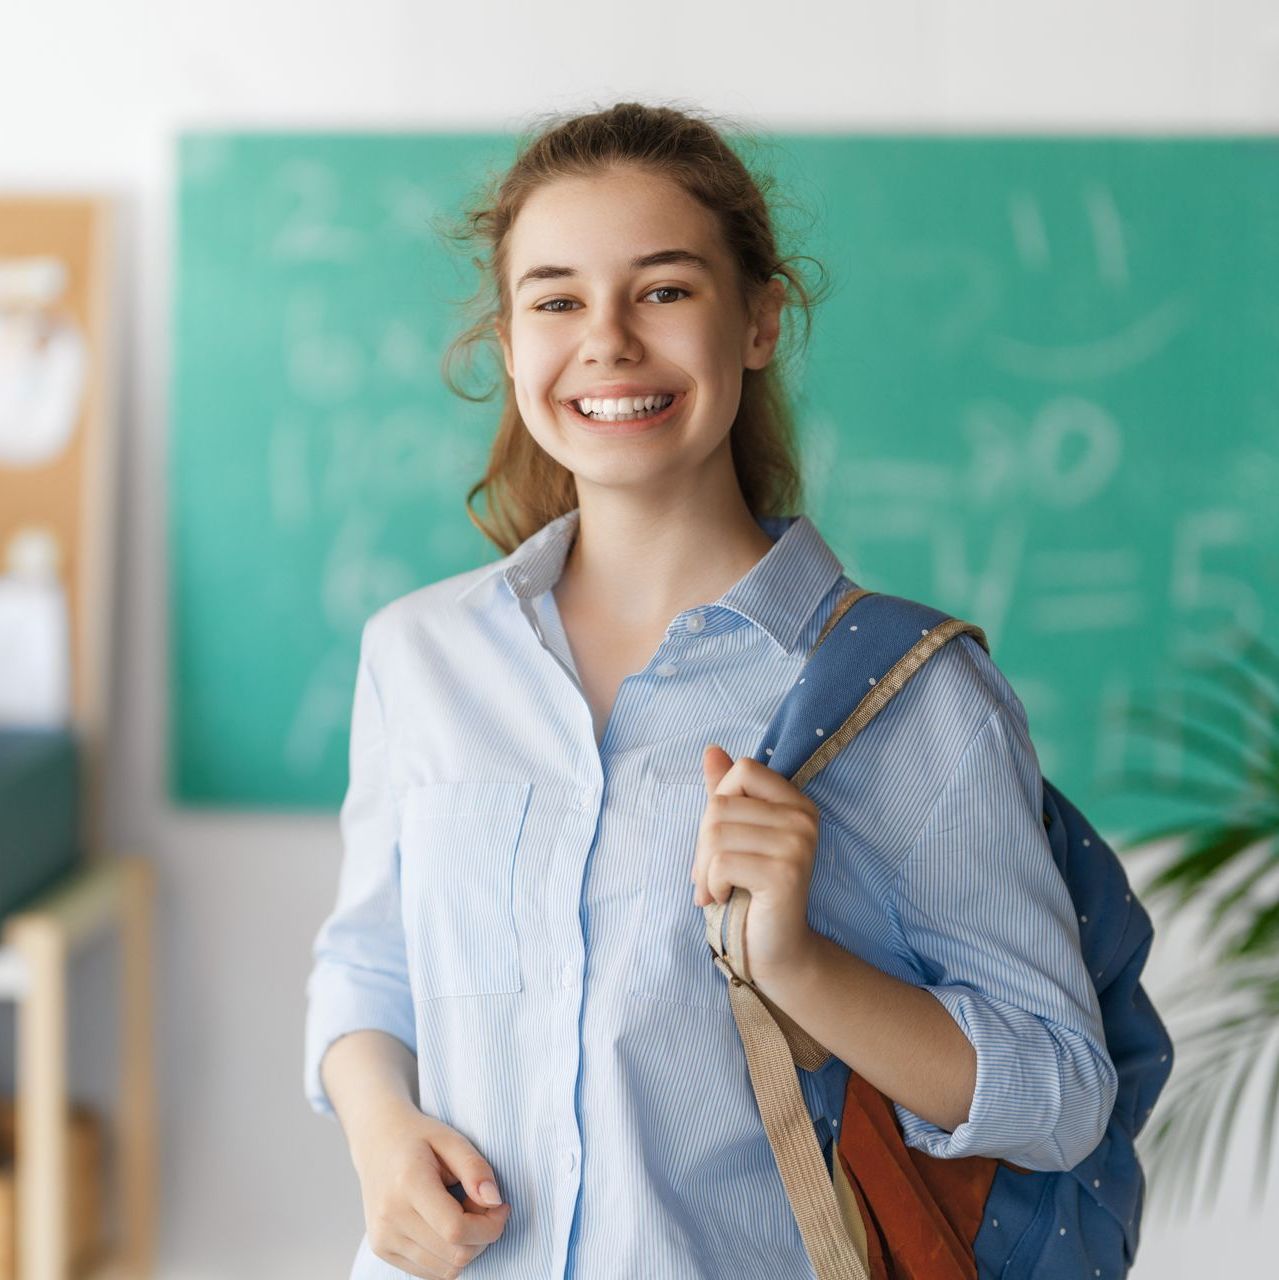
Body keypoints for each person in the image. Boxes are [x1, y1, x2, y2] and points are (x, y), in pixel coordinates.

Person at [303, 101, 1116, 1280]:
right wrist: (382, 1136)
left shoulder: (914, 698)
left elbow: (1063, 1091)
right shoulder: (420, 654)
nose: (609, 343)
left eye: (665, 289)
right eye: (557, 299)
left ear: (759, 320)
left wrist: (799, 965)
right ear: (510, 338)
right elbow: (370, 963)